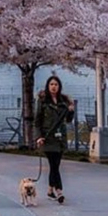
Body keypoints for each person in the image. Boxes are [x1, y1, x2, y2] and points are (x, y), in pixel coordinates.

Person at [35, 74, 75, 204]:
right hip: (48, 136)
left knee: (55, 165)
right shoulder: (42, 101)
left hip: (60, 137)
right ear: (48, 86)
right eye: (51, 84)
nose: (53, 87)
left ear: (59, 87)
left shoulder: (64, 101)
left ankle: (50, 190)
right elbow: (38, 120)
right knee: (54, 165)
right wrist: (39, 136)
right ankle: (59, 192)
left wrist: (71, 110)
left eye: (56, 85)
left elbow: (68, 120)